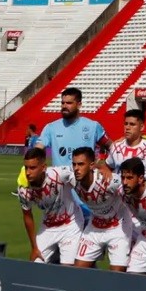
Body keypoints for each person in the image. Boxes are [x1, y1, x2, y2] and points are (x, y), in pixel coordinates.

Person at [30, 88, 112, 223]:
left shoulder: (92, 126)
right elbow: (39, 149)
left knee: (89, 236)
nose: (64, 106)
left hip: (87, 193)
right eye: (62, 103)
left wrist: (106, 165)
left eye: (69, 103)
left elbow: (111, 146)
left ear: (79, 104)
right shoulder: (51, 128)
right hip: (61, 194)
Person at [16, 147, 84, 265]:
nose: (28, 172)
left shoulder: (59, 174)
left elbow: (82, 175)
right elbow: (27, 216)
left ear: (43, 167)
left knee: (68, 269)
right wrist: (34, 248)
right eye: (26, 167)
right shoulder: (24, 189)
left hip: (70, 224)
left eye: (32, 168)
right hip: (48, 226)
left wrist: (99, 167)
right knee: (35, 265)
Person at [70, 147, 132, 272]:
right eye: (74, 164)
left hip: (118, 226)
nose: (76, 168)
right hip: (95, 226)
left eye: (81, 164)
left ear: (91, 165)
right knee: (77, 271)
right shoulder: (71, 179)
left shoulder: (109, 180)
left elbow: (131, 187)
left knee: (117, 274)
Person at [105, 109, 146, 176]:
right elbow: (107, 168)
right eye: (126, 124)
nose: (127, 127)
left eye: (132, 124)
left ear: (141, 127)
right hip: (120, 186)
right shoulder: (116, 147)